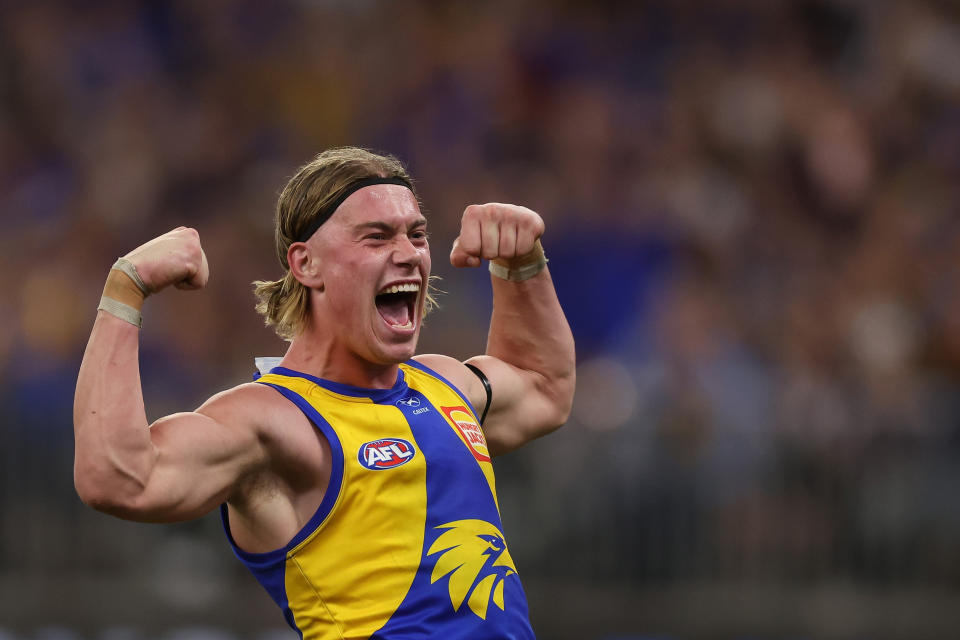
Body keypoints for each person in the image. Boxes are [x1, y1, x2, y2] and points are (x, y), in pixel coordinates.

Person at [73, 147, 576, 638]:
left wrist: (520, 265)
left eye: (416, 234)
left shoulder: (443, 382)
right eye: (376, 238)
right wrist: (126, 289)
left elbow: (543, 386)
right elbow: (118, 479)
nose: (408, 254)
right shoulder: (271, 421)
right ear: (306, 263)